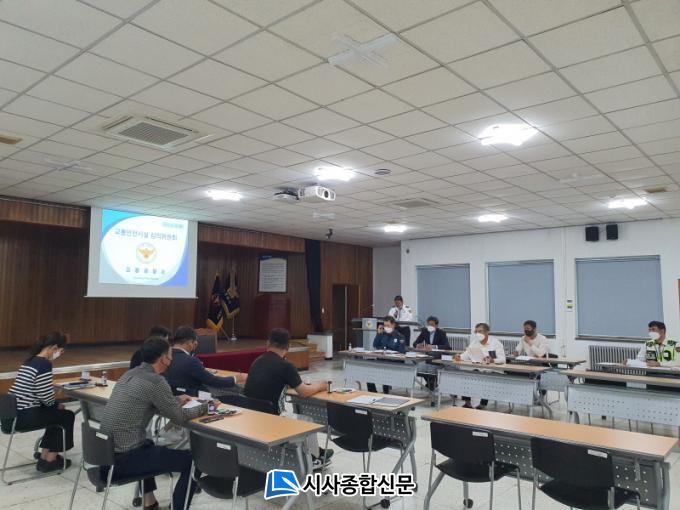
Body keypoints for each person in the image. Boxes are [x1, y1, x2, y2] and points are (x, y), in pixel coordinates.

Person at [100, 336, 210, 510]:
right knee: (195, 461)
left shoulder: (130, 374)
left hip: (104, 456)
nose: (172, 358)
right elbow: (179, 417)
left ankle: (149, 502)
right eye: (170, 354)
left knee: (147, 444)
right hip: (124, 460)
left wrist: (175, 399)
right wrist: (207, 407)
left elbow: (149, 401)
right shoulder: (156, 381)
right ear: (163, 358)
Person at [244, 328, 333, 470]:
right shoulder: (285, 366)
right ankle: (314, 458)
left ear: (268, 343)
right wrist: (320, 385)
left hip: (252, 416)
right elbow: (304, 392)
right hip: (273, 419)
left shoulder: (257, 361)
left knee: (297, 418)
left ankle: (313, 452)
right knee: (308, 421)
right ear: (288, 347)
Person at [2, 332, 74, 472]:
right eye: (61, 351)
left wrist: (53, 406)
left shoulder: (30, 361)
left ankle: (44, 457)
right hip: (24, 417)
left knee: (54, 414)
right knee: (67, 416)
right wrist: (56, 404)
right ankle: (50, 461)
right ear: (54, 347)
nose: (60, 354)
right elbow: (44, 395)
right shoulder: (44, 363)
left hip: (11, 416)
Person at [165, 325, 247, 396]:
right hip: (194, 395)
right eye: (194, 343)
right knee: (237, 389)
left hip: (172, 394)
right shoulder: (191, 361)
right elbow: (214, 381)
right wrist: (236, 378)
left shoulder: (164, 356)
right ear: (190, 343)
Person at [456, 323, 506, 410]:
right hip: (480, 369)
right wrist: (459, 357)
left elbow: (503, 359)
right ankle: (467, 403)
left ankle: (482, 405)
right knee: (467, 377)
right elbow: (467, 354)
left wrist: (492, 360)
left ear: (487, 332)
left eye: (480, 331)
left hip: (494, 370)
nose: (477, 334)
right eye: (476, 332)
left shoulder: (495, 343)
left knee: (486, 380)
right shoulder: (475, 342)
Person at [367, 316, 406, 394]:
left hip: (394, 363)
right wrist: (378, 334)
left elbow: (402, 351)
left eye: (388, 325)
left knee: (385, 372)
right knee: (369, 372)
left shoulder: (400, 336)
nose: (386, 327)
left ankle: (386, 393)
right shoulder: (382, 334)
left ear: (393, 325)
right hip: (381, 361)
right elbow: (375, 345)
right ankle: (373, 393)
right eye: (385, 325)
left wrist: (391, 352)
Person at [413, 316, 451, 393]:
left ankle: (431, 382)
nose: (429, 326)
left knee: (430, 360)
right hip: (427, 356)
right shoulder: (425, 331)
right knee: (416, 361)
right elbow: (415, 343)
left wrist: (434, 346)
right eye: (428, 324)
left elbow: (447, 347)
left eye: (432, 325)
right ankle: (431, 382)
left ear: (436, 325)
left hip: (438, 355)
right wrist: (418, 345)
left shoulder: (441, 333)